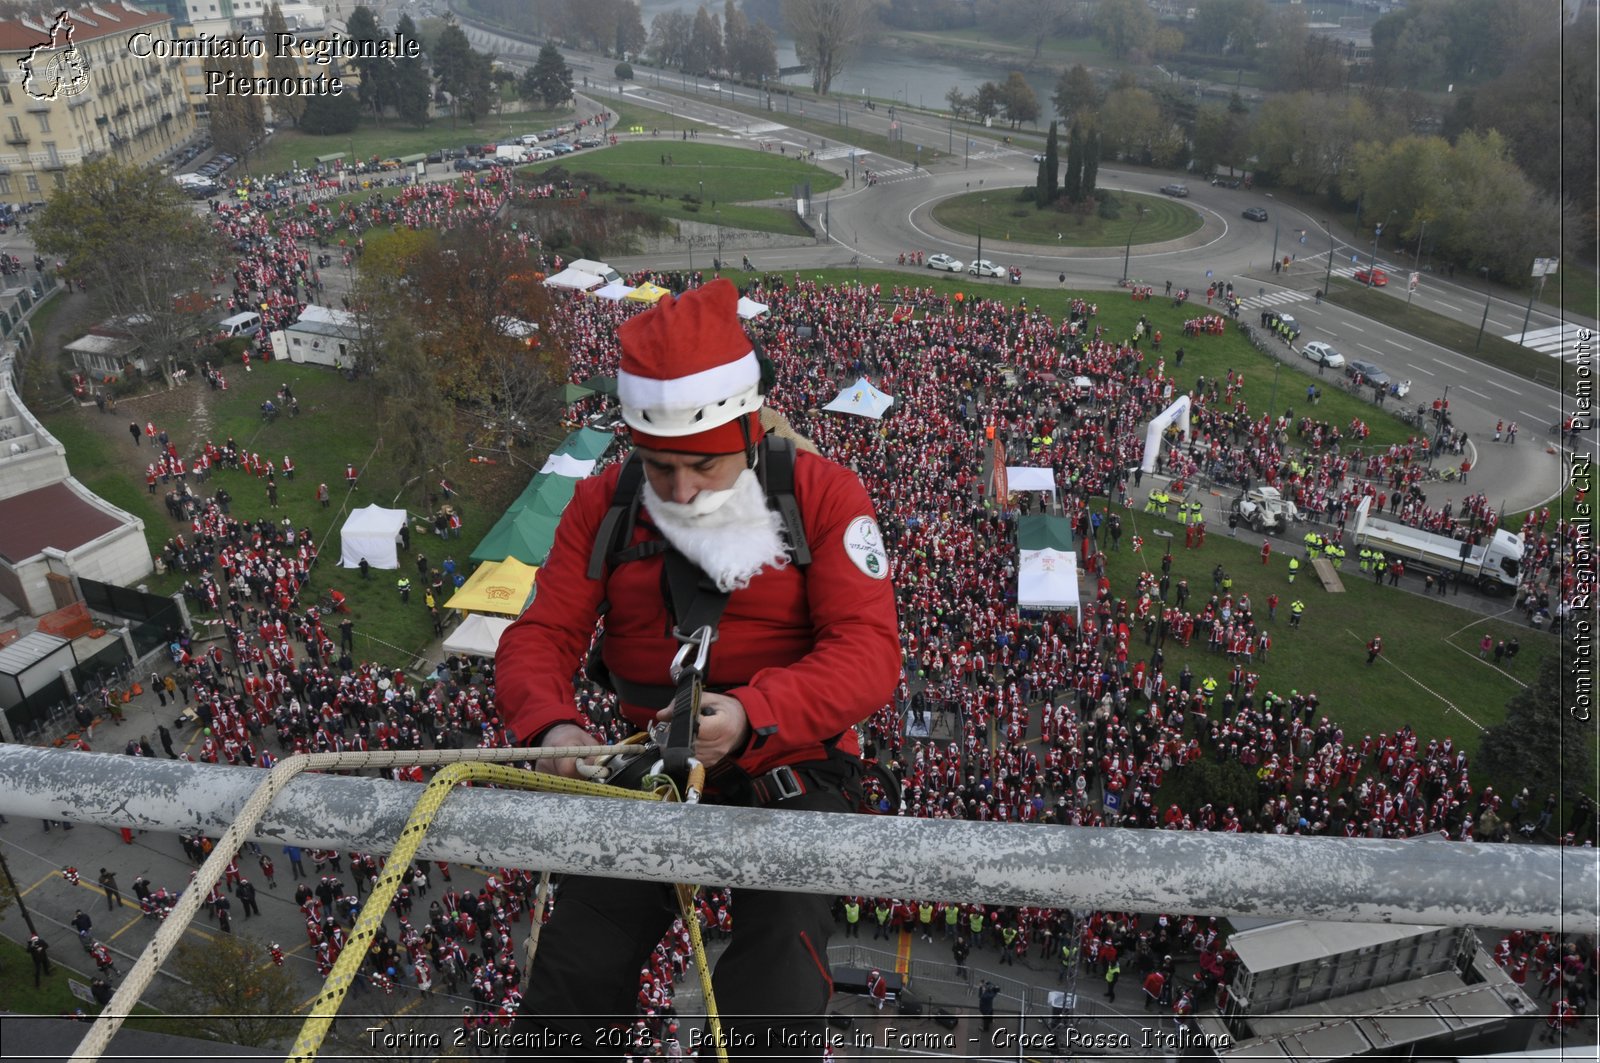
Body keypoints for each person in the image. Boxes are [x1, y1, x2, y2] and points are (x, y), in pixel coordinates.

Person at [496, 279, 901, 1055]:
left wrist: (753, 712)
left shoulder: (823, 496)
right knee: (570, 982)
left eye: (705, 468)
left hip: (791, 770)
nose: (681, 492)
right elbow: (538, 635)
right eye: (659, 468)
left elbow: (869, 651)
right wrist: (553, 722)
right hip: (650, 767)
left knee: (776, 989)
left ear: (750, 433)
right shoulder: (604, 505)